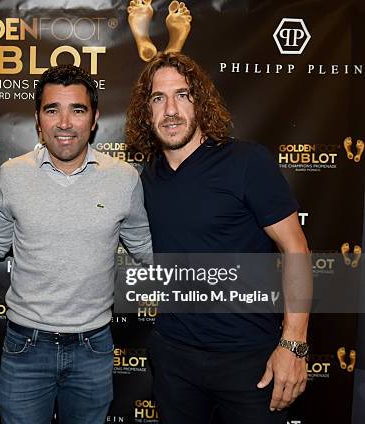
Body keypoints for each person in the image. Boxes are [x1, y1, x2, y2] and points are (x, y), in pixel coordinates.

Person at [125, 52, 311, 424]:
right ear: (146, 112)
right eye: (158, 99)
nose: (171, 110)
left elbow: (296, 248)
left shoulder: (246, 162)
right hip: (174, 357)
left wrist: (294, 345)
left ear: (202, 102)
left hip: (250, 360)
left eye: (183, 95)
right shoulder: (144, 180)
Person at [0, 64, 152, 423]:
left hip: (93, 348)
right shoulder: (12, 174)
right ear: (38, 118)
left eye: (78, 110)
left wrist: (229, 279)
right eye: (52, 110)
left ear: (95, 117)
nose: (65, 122)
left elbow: (147, 249)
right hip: (25, 346)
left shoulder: (123, 178)